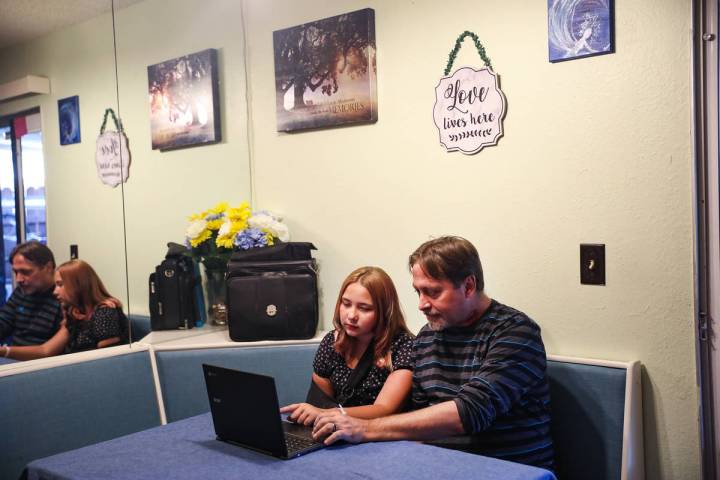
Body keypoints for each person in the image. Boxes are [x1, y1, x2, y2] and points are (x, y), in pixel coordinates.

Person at [312, 237, 554, 470]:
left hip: (503, 468)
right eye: (418, 292)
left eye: (433, 292)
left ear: (468, 286)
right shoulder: (428, 336)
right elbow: (417, 416)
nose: (422, 304)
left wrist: (364, 429)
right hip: (436, 464)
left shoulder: (515, 331)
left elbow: (470, 412)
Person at [280, 266, 415, 424]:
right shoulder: (332, 341)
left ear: (384, 312)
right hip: (337, 431)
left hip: (382, 436)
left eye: (364, 308)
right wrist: (320, 413)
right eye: (346, 304)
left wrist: (326, 413)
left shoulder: (403, 346)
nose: (351, 315)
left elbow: (385, 409)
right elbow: (319, 400)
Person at [0, 260, 127, 361]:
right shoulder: (74, 314)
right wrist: (5, 351)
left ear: (79, 285)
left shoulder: (105, 313)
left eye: (60, 285)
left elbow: (109, 362)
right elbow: (46, 350)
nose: (55, 291)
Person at [0, 241, 62, 347]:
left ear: (48, 267)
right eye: (16, 272)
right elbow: (4, 323)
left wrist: (6, 352)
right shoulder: (20, 292)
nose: (19, 279)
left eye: (26, 272)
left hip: (43, 362)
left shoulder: (63, 297)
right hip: (14, 359)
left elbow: (49, 351)